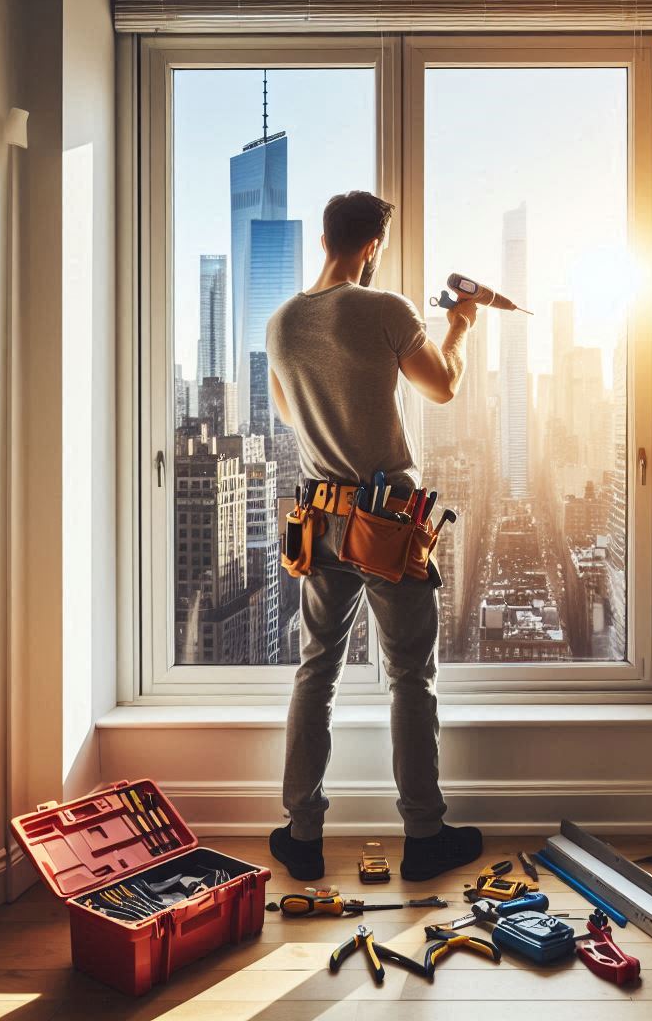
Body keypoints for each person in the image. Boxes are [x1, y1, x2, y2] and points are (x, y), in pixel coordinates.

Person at [265, 190, 481, 882]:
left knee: (315, 674)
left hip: (320, 520)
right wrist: (462, 327)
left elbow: (286, 410)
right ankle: (424, 835)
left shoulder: (281, 323)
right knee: (410, 677)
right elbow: (442, 387)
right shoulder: (387, 309)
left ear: (327, 237)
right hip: (387, 521)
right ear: (370, 247)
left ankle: (301, 836)